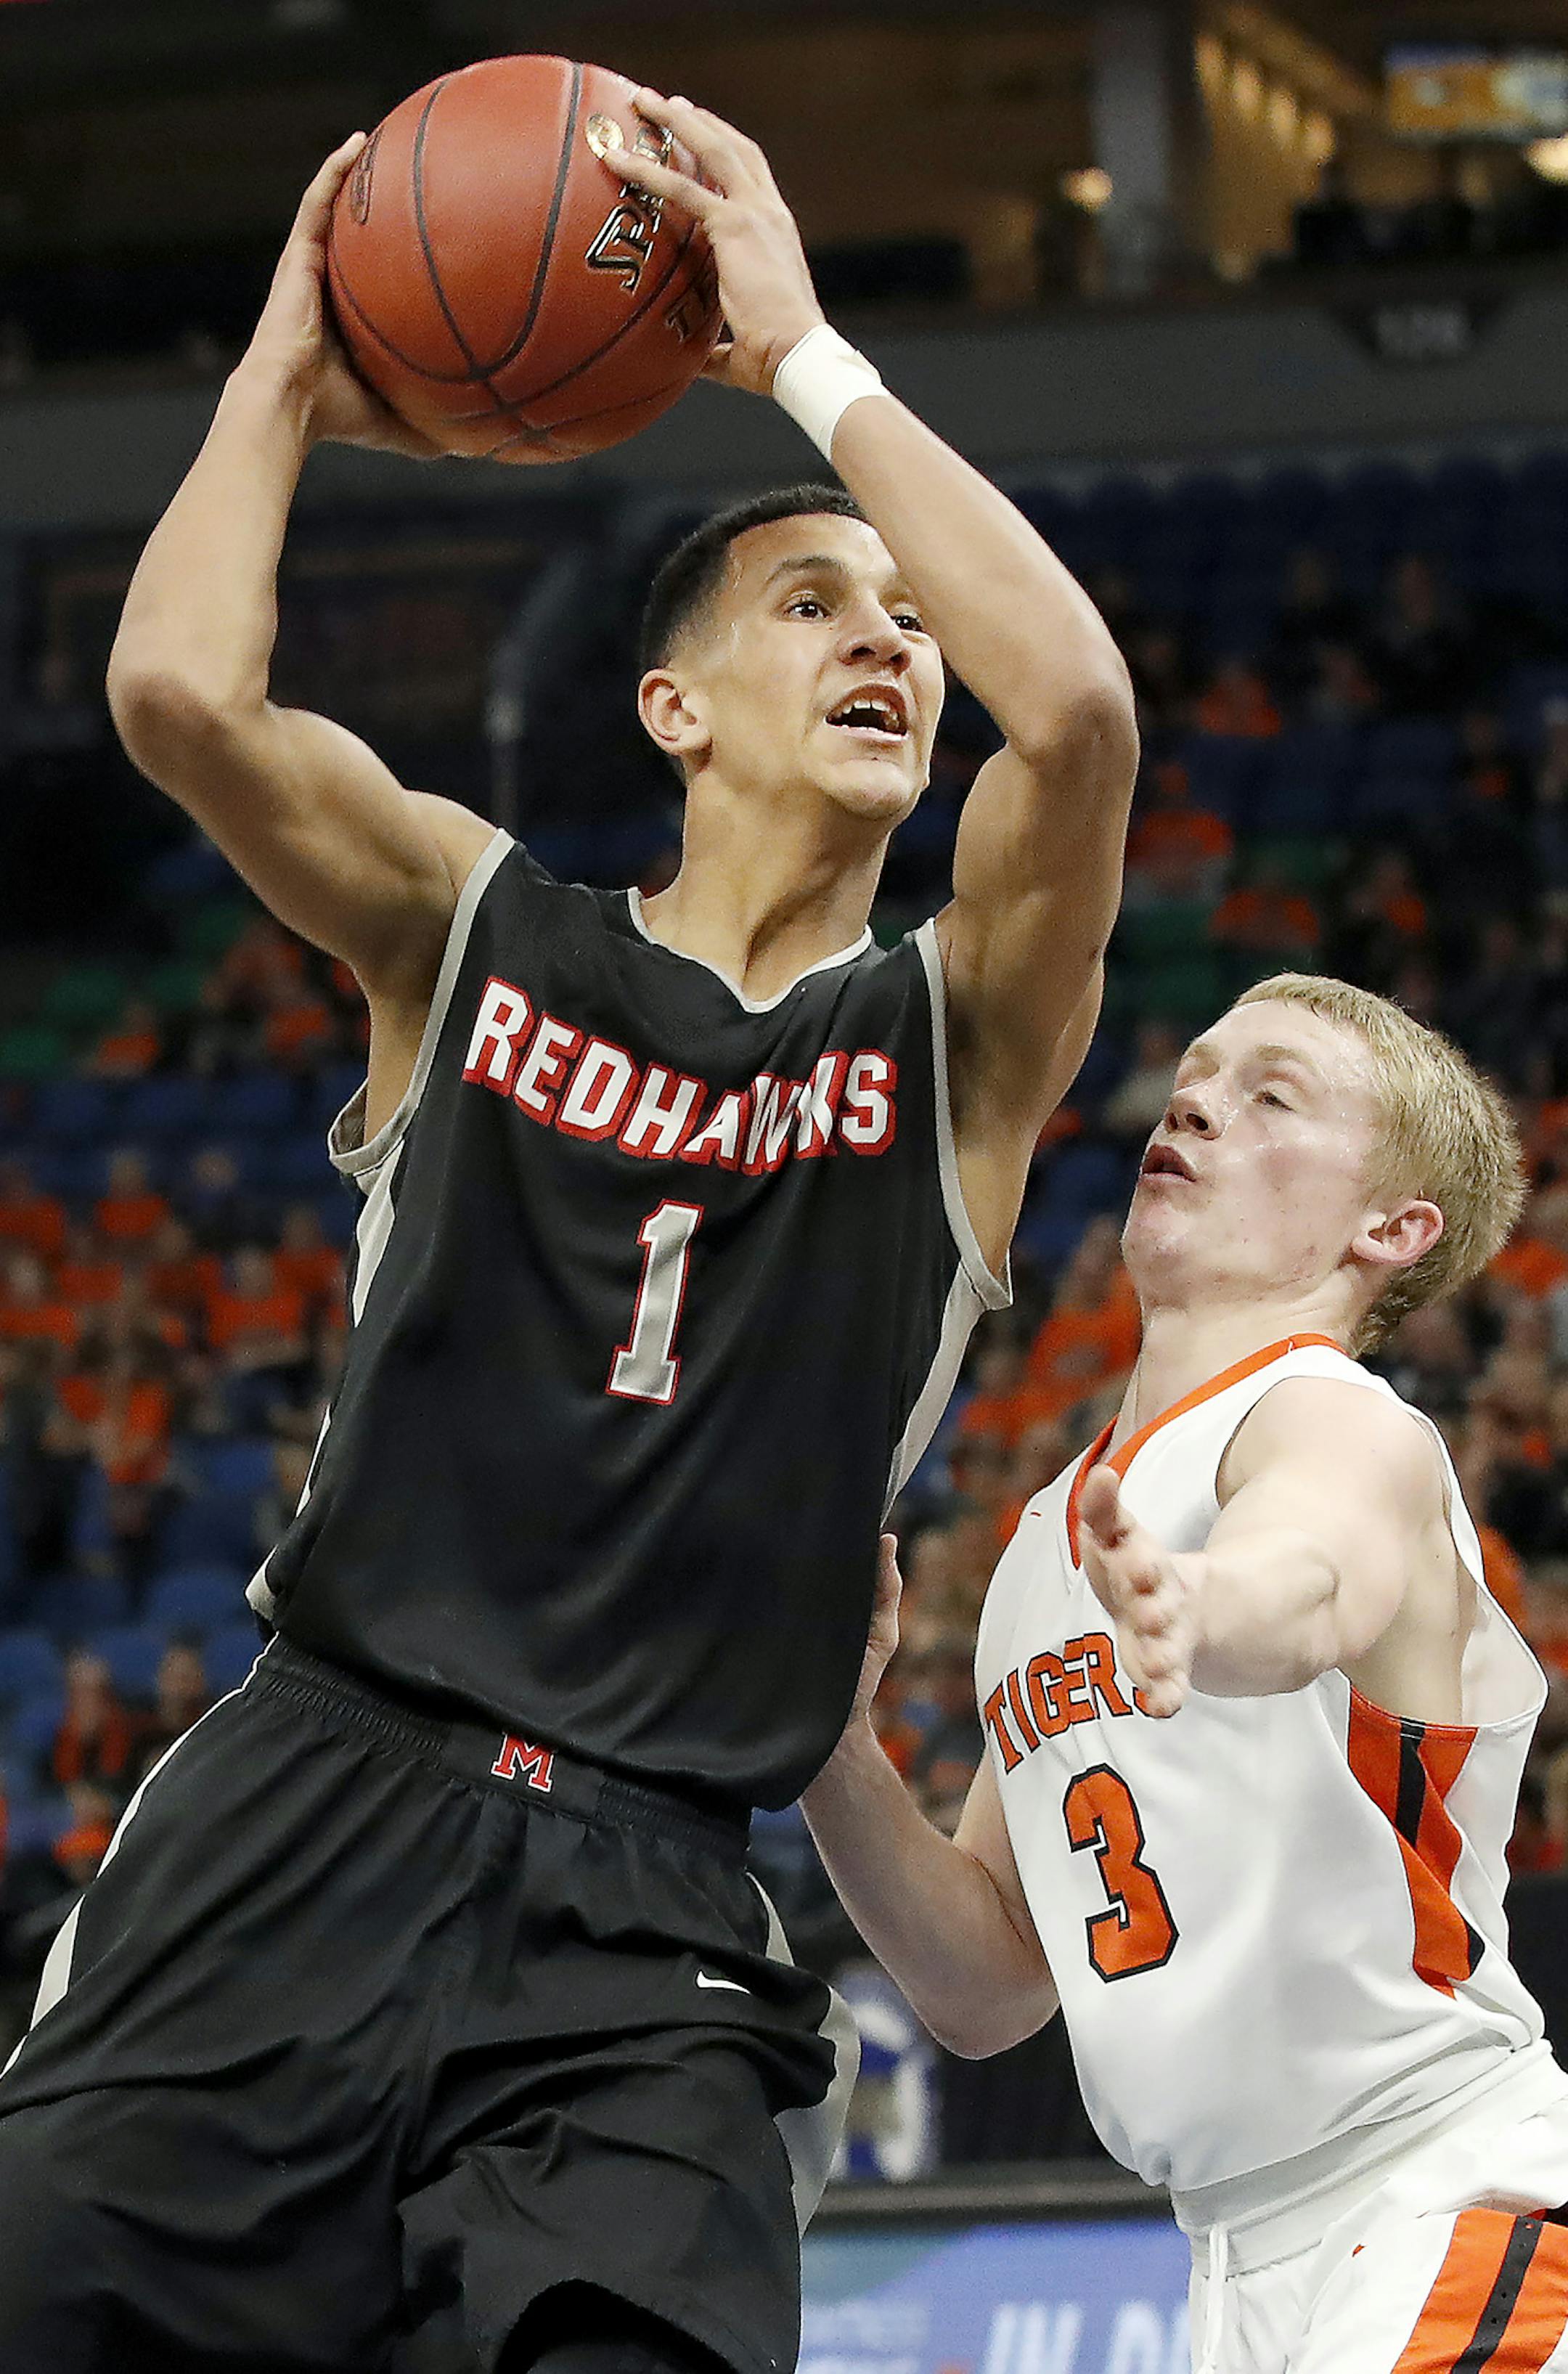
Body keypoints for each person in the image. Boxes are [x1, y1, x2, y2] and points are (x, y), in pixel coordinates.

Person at [0, 93, 1138, 2374]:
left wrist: (807, 352)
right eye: (815, 604)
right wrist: (286, 374)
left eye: (911, 622)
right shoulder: (473, 920)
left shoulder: (959, 1032)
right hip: (311, 1799)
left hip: (646, 1918)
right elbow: (176, 696)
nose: (889, 644)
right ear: (672, 704)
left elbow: (1087, 703)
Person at [804, 972, 1568, 2374]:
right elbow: (986, 1988)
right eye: (1201, 1073)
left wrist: (1196, 1602)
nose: (1200, 1100)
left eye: (1272, 1093)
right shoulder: (1048, 1543)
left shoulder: (1344, 1428)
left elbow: (1310, 1577)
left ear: (1390, 1230)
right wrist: (828, 1744)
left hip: (1441, 2195)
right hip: (1225, 2258)